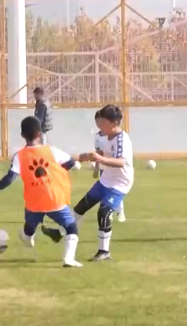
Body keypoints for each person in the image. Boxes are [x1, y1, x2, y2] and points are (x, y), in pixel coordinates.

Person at [0, 116, 83, 268]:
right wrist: (61, 170)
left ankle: (27, 237)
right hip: (54, 198)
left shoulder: (19, 156)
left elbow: (9, 179)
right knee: (71, 227)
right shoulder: (51, 151)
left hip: (34, 202)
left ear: (22, 135)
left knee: (29, 229)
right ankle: (68, 258)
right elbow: (73, 164)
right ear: (40, 134)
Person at [42, 105, 133, 262]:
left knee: (104, 212)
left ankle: (104, 251)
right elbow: (103, 153)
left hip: (120, 183)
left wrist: (99, 159)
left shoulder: (121, 139)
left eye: (103, 122)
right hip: (106, 179)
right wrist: (86, 156)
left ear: (114, 123)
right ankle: (59, 233)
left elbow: (120, 162)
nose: (100, 125)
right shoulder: (106, 136)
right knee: (82, 206)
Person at [92, 111, 125, 222]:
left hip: (113, 166)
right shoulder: (97, 136)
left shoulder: (112, 135)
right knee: (105, 191)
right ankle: (108, 212)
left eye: (100, 121)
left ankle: (120, 211)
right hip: (103, 167)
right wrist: (96, 168)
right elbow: (98, 153)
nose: (99, 124)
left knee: (115, 189)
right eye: (97, 122)